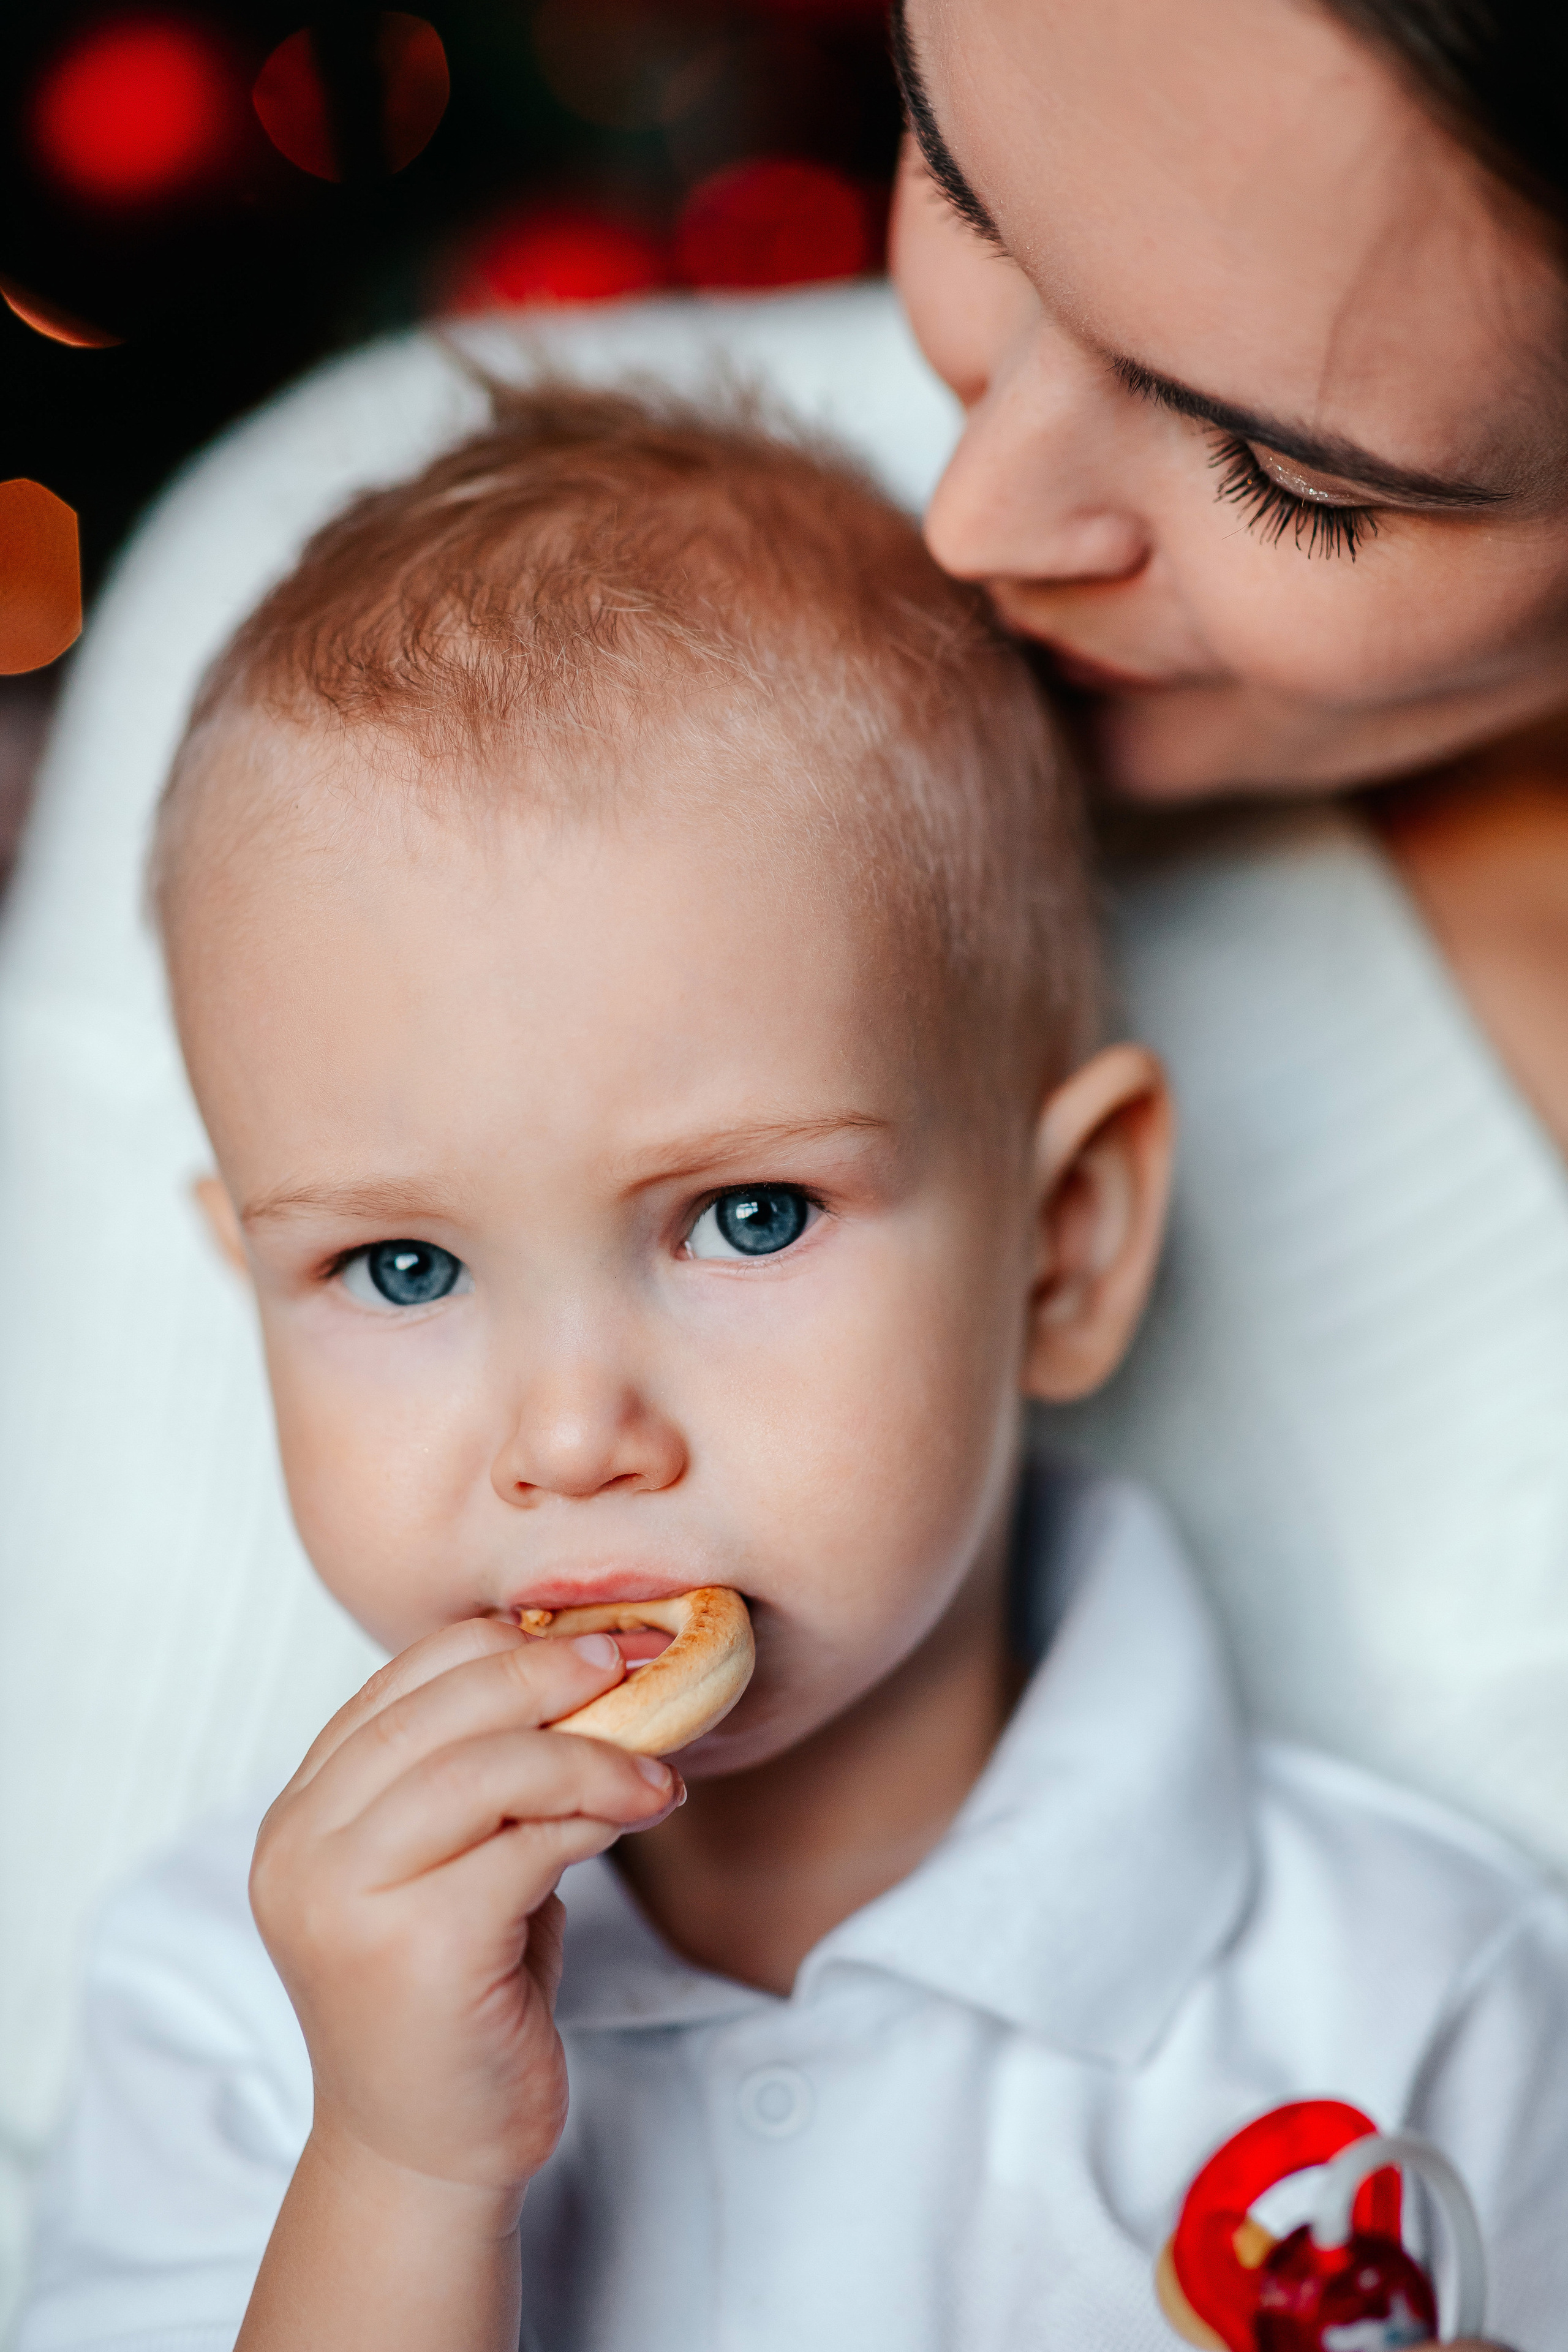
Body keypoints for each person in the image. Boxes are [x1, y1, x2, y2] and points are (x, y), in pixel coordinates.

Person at [9, 0, 1568, 2315]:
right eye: (403, 1269)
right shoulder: (246, 2013)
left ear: (1069, 1242)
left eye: (746, 1217)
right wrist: (401, 2170)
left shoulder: (1422, 1999)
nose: (570, 1435)